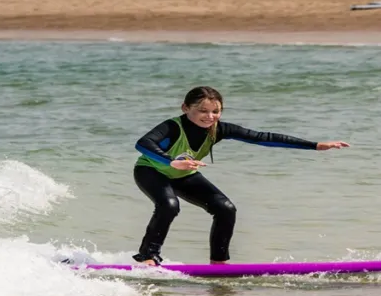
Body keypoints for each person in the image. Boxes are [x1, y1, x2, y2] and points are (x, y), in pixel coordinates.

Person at [132, 86, 349, 265]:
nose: (210, 117)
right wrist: (171, 162)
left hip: (184, 175)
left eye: (215, 111)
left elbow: (262, 137)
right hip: (151, 171)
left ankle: (218, 263)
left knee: (225, 209)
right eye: (202, 111)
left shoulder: (219, 129)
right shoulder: (172, 126)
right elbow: (143, 143)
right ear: (186, 108)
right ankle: (148, 256)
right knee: (169, 205)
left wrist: (315, 146)